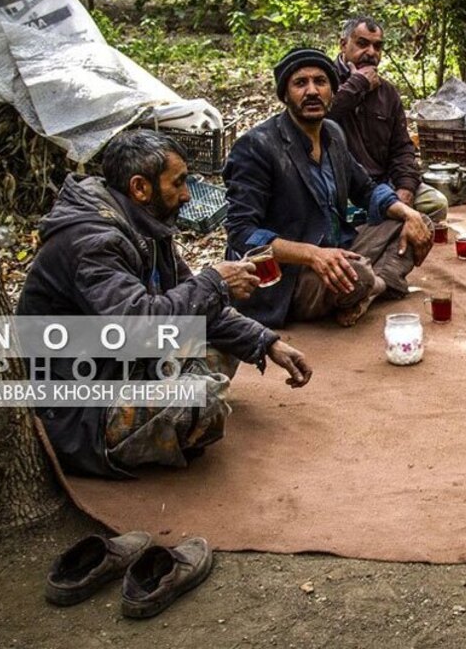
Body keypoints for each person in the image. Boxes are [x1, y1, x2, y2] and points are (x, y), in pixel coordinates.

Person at [18, 130, 312, 478]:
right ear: (140, 188)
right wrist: (216, 281)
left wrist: (266, 341)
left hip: (123, 365)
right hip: (80, 405)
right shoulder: (92, 242)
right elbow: (138, 328)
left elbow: (192, 297)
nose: (187, 195)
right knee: (199, 400)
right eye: (178, 183)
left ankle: (173, 393)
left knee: (224, 340)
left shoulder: (141, 222)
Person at [223, 47, 433, 329]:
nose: (312, 91)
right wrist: (313, 255)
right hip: (287, 276)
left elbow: (367, 190)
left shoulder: (332, 133)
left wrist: (409, 214)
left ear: (332, 92)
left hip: (337, 249)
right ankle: (373, 284)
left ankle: (372, 290)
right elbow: (242, 233)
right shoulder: (256, 146)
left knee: (419, 223)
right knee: (357, 274)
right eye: (300, 83)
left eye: (320, 82)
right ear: (285, 95)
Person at [328, 14, 448, 222]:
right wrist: (358, 84)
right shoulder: (323, 80)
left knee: (435, 204)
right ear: (343, 44)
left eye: (377, 46)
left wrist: (405, 188)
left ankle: (389, 223)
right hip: (341, 187)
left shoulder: (387, 92)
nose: (371, 52)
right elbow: (322, 115)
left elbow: (402, 147)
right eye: (362, 44)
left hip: (383, 183)